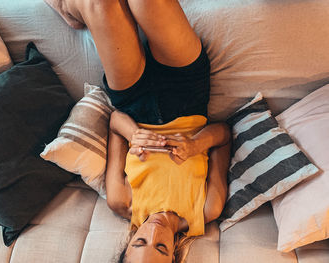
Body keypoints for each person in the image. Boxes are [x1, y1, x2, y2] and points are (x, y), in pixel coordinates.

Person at [44, 0, 231, 262]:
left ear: (127, 245)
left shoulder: (121, 201)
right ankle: (72, 9)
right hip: (187, 95)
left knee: (100, 4)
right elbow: (223, 135)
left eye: (141, 241)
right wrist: (197, 145)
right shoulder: (206, 209)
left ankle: (71, 9)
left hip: (134, 101)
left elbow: (115, 122)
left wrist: (132, 134)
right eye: (161, 248)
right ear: (175, 255)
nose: (153, 233)